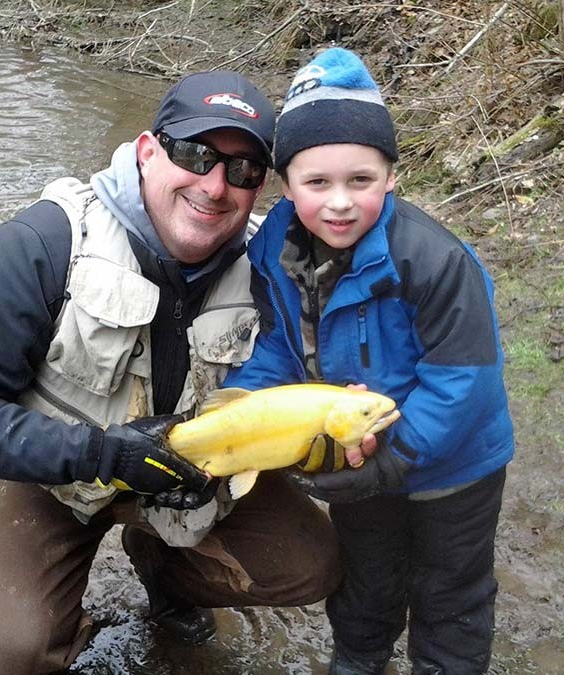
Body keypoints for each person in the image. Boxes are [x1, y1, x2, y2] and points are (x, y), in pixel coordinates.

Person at [0, 70, 342, 675]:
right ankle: (55, 606)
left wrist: (316, 453)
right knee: (14, 650)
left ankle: (164, 570)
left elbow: (284, 396)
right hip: (50, 474)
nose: (215, 185)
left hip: (195, 473)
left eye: (242, 171)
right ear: (146, 151)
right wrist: (101, 456)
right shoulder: (43, 242)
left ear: (259, 187)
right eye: (195, 153)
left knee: (310, 564)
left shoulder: (267, 271)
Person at [223, 48, 515, 675]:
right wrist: (250, 405)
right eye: (316, 183)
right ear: (285, 182)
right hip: (354, 447)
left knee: (450, 593)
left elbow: (463, 382)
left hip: (457, 465)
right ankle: (357, 660)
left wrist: (396, 460)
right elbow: (274, 342)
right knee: (365, 581)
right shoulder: (274, 242)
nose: (339, 203)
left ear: (391, 177)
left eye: (361, 181)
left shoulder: (435, 261)